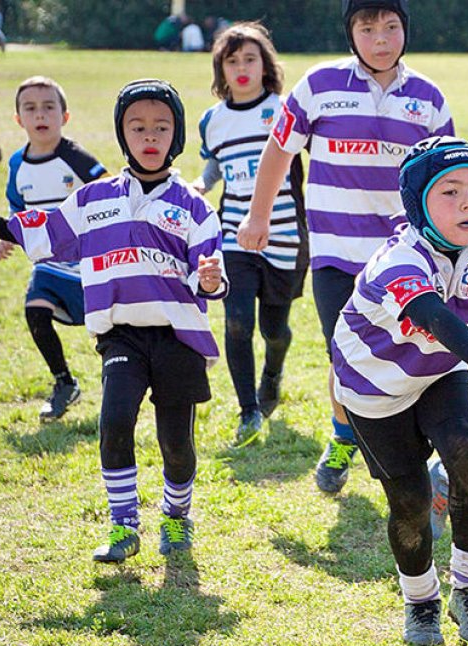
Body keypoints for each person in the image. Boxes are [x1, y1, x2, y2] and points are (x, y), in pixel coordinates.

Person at [0, 79, 227, 562]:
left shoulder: (195, 207)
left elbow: (211, 269)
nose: (149, 136)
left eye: (161, 128)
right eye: (137, 127)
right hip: (120, 333)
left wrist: (208, 280)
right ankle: (124, 525)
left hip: (178, 338)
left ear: (176, 136)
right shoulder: (94, 199)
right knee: (114, 422)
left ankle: (176, 516)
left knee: (176, 443)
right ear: (123, 134)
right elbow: (44, 231)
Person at [237, 0, 454, 494]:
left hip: (407, 258)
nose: (381, 38)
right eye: (368, 27)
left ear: (406, 29)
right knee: (345, 356)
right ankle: (342, 436)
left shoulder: (429, 99)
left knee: (413, 354)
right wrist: (258, 216)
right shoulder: (318, 87)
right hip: (336, 254)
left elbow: (448, 178)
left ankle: (412, 452)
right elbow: (278, 150)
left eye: (392, 27)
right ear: (350, 34)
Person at [333, 137, 468, 646]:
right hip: (374, 389)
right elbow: (431, 314)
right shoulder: (398, 259)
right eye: (449, 192)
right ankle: (420, 600)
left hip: (440, 374)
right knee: (409, 500)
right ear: (418, 205)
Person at [196, 22, 307, 447]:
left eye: (250, 59)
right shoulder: (213, 120)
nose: (241, 68)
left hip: (285, 236)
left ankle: (273, 376)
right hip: (234, 236)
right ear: (220, 70)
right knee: (238, 322)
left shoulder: (285, 110)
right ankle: (248, 410)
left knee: (273, 329)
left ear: (266, 65)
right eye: (231, 61)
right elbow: (213, 165)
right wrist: (201, 185)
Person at [0, 76, 107, 422]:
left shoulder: (75, 157)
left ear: (65, 116)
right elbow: (17, 206)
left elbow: (107, 189)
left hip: (88, 262)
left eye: (48, 107)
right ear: (18, 119)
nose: (40, 115)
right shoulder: (17, 164)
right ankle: (64, 383)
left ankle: (118, 387)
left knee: (107, 329)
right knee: (36, 311)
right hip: (48, 263)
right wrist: (7, 234)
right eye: (30, 108)